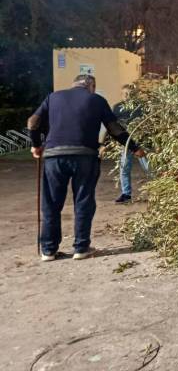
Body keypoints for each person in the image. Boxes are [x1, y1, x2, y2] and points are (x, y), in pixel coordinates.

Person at [28, 75, 146, 262]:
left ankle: (48, 251)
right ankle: (81, 248)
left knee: (51, 203)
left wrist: (35, 145)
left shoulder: (53, 97)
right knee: (83, 201)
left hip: (54, 157)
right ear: (91, 86)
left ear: (73, 85)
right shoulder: (96, 100)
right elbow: (114, 128)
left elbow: (33, 122)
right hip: (85, 156)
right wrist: (135, 148)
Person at [111, 84, 149, 204]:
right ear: (121, 94)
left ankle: (159, 190)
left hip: (140, 141)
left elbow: (148, 123)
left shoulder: (141, 107)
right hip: (125, 142)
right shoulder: (117, 107)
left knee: (148, 168)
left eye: (130, 94)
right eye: (125, 94)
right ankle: (126, 194)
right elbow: (112, 125)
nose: (127, 96)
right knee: (124, 168)